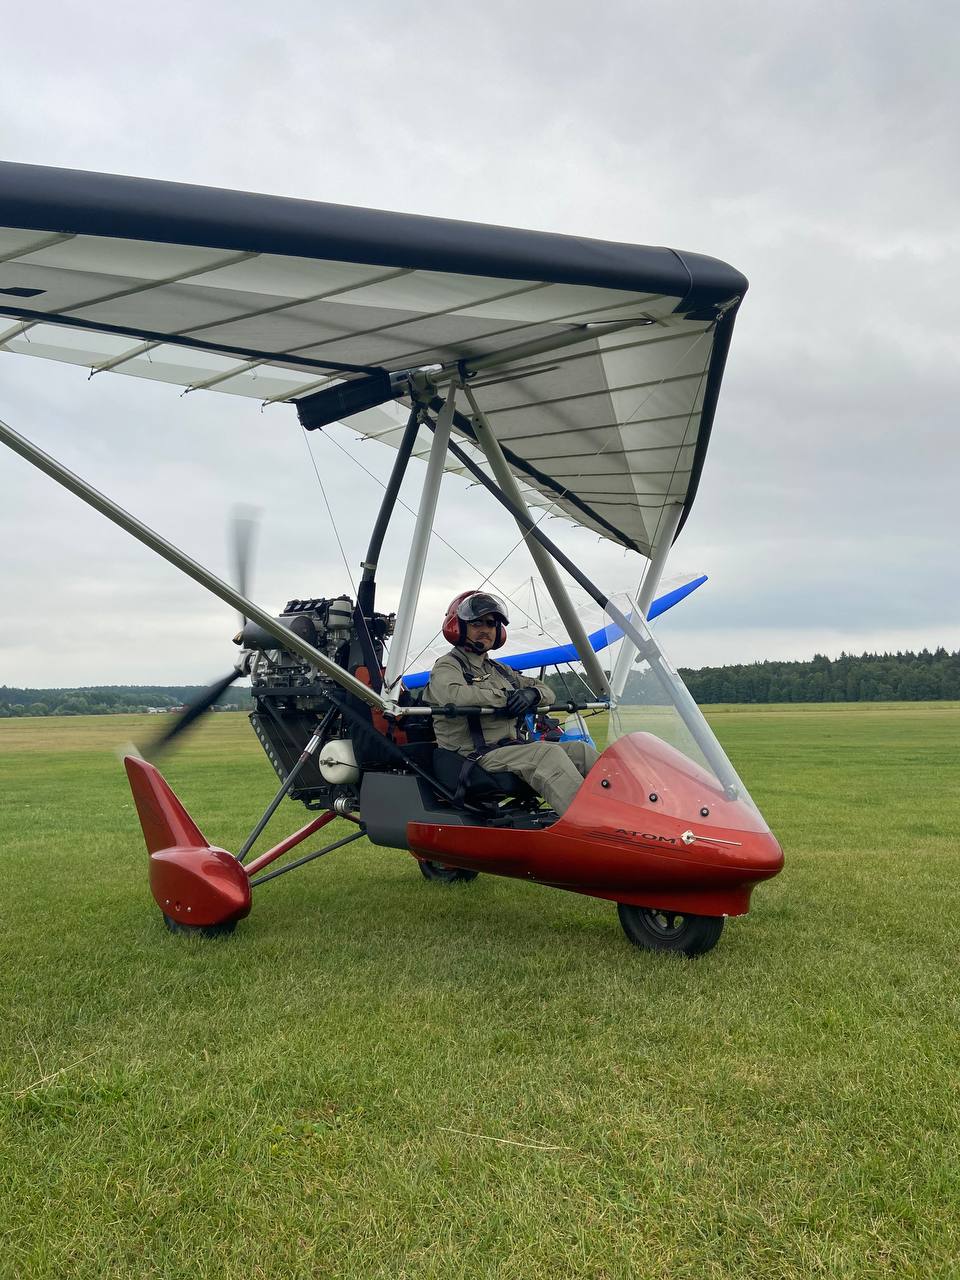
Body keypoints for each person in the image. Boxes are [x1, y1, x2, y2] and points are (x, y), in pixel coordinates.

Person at [427, 590, 598, 816]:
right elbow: (454, 696)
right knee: (546, 754)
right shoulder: (447, 666)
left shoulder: (500, 670)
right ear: (458, 626)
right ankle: (588, 824)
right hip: (474, 755)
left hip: (509, 749)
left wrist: (532, 695)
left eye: (491, 624)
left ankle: (633, 816)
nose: (485, 629)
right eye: (477, 623)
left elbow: (546, 690)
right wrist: (506, 698)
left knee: (581, 751)